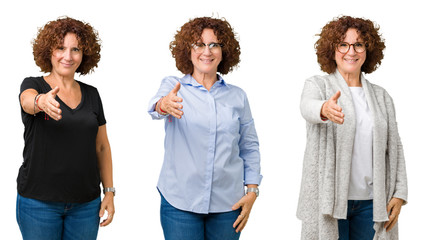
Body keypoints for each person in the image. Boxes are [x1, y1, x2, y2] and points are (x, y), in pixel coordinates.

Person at [148, 17, 262, 240]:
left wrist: (252, 191)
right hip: (180, 202)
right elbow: (155, 108)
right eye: (199, 44)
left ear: (223, 50)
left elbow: (248, 145)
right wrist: (164, 104)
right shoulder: (173, 86)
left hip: (228, 205)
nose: (206, 51)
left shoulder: (237, 96)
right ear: (187, 51)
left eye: (214, 44)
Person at [297, 16, 408, 240]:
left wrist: (399, 193)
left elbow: (395, 147)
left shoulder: (381, 96)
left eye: (358, 44)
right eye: (343, 44)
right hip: (328, 201)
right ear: (332, 49)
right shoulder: (319, 86)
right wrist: (324, 109)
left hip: (372, 204)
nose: (351, 51)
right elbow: (307, 107)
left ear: (367, 50)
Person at [17, 17, 115, 240]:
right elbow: (27, 101)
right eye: (60, 48)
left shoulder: (92, 94)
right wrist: (41, 102)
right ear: (49, 51)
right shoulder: (33, 85)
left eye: (75, 49)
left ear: (84, 54)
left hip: (86, 206)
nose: (68, 56)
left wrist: (109, 192)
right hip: (38, 204)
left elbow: (101, 147)